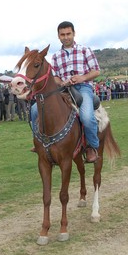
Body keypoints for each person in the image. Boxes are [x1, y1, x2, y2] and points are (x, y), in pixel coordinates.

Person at [32, 21, 101, 163]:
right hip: (63, 89)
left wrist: (82, 77)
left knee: (87, 117)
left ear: (74, 33)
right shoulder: (56, 56)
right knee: (34, 110)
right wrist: (62, 82)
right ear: (58, 36)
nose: (66, 37)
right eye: (62, 34)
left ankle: (91, 147)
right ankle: (39, 142)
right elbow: (55, 77)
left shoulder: (84, 50)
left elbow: (96, 71)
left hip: (83, 88)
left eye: (68, 34)